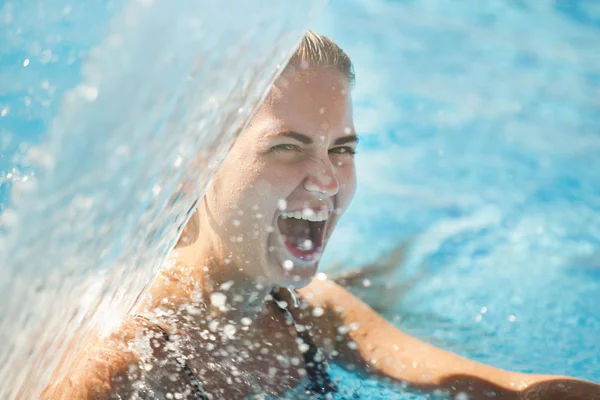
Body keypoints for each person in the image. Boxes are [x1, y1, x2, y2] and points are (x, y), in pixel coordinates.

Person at [42, 31, 599, 400]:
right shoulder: (120, 362)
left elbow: (508, 389)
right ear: (195, 166)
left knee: (389, 279)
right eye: (287, 146)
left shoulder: (307, 313)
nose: (330, 178)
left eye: (343, 148)